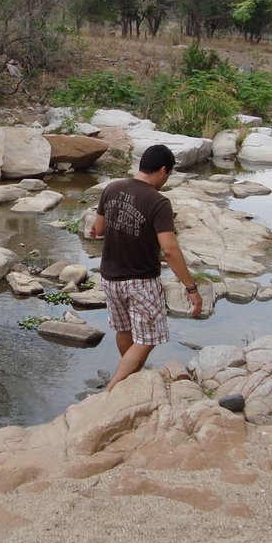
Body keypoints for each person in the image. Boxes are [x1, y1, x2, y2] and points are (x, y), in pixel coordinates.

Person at [90, 144, 202, 392]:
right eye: (168, 174)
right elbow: (170, 250)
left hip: (110, 277)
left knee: (123, 329)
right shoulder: (158, 202)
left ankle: (129, 376)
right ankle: (113, 390)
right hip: (141, 281)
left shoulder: (112, 188)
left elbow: (98, 229)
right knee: (146, 340)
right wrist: (191, 288)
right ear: (163, 169)